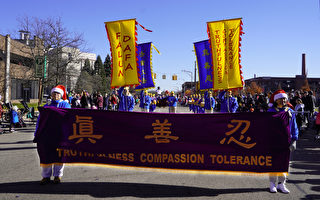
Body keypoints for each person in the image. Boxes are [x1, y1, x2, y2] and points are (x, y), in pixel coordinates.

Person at [35, 85, 71, 185]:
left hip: (60, 134)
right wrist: (37, 132)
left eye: (58, 93)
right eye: (54, 93)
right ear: (51, 95)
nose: (55, 95)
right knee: (46, 155)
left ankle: (57, 175)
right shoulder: (47, 106)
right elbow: (40, 120)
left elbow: (68, 117)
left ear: (61, 95)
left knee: (59, 155)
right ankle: (46, 176)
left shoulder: (65, 105)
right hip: (47, 134)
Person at [268, 89, 299, 194]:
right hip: (274, 140)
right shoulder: (271, 112)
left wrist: (294, 140)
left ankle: (282, 184)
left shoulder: (290, 111)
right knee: (274, 162)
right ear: (276, 100)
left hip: (286, 141)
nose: (283, 100)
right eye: (280, 99)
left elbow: (294, 127)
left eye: (284, 98)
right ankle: (272, 183)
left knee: (285, 163)